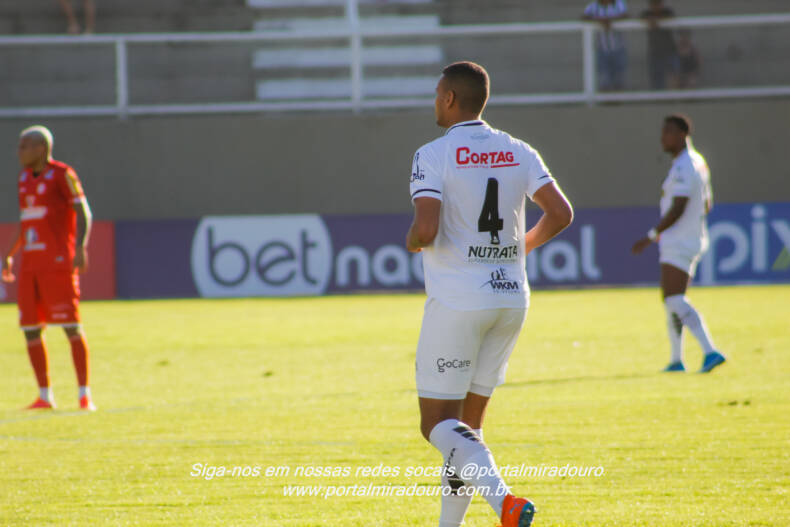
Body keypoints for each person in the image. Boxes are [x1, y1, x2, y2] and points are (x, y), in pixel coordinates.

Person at [407, 61, 573, 527]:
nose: (435, 101)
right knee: (467, 431)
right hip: (511, 297)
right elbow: (561, 213)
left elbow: (425, 229)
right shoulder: (518, 149)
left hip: (459, 302)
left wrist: (412, 240)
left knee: (437, 424)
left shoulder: (432, 154)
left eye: (437, 94)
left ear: (449, 98)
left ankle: (505, 504)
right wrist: (523, 246)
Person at [1, 125, 97, 410]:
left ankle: (84, 394)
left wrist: (80, 247)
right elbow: (25, 220)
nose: (19, 152)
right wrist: (9, 254)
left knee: (70, 326)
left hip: (57, 263)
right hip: (30, 266)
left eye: (24, 146)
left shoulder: (62, 174)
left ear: (40, 148)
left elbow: (83, 211)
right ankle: (45, 395)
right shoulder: (23, 178)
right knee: (30, 329)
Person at [631, 115, 725, 373]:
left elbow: (678, 207)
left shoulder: (685, 166)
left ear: (683, 134)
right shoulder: (697, 162)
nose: (663, 137)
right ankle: (676, 360)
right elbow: (707, 203)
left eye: (668, 132)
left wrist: (652, 235)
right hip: (690, 237)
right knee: (673, 300)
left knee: (674, 299)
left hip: (680, 240)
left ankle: (710, 351)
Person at [583, 0, 630, 91]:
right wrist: (600, 20)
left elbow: (625, 15)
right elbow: (584, 17)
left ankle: (617, 98)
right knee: (604, 79)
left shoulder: (618, 4)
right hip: (601, 49)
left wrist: (611, 20)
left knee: (619, 78)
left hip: (618, 48)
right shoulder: (593, 6)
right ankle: (606, 98)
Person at [641, 0, 677, 90]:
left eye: (658, 4)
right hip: (655, 52)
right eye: (653, 4)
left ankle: (674, 96)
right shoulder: (647, 13)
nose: (656, 7)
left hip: (670, 51)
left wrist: (658, 20)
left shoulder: (667, 12)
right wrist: (650, 20)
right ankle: (658, 95)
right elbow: (640, 18)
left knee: (673, 75)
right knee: (656, 78)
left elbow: (672, 17)